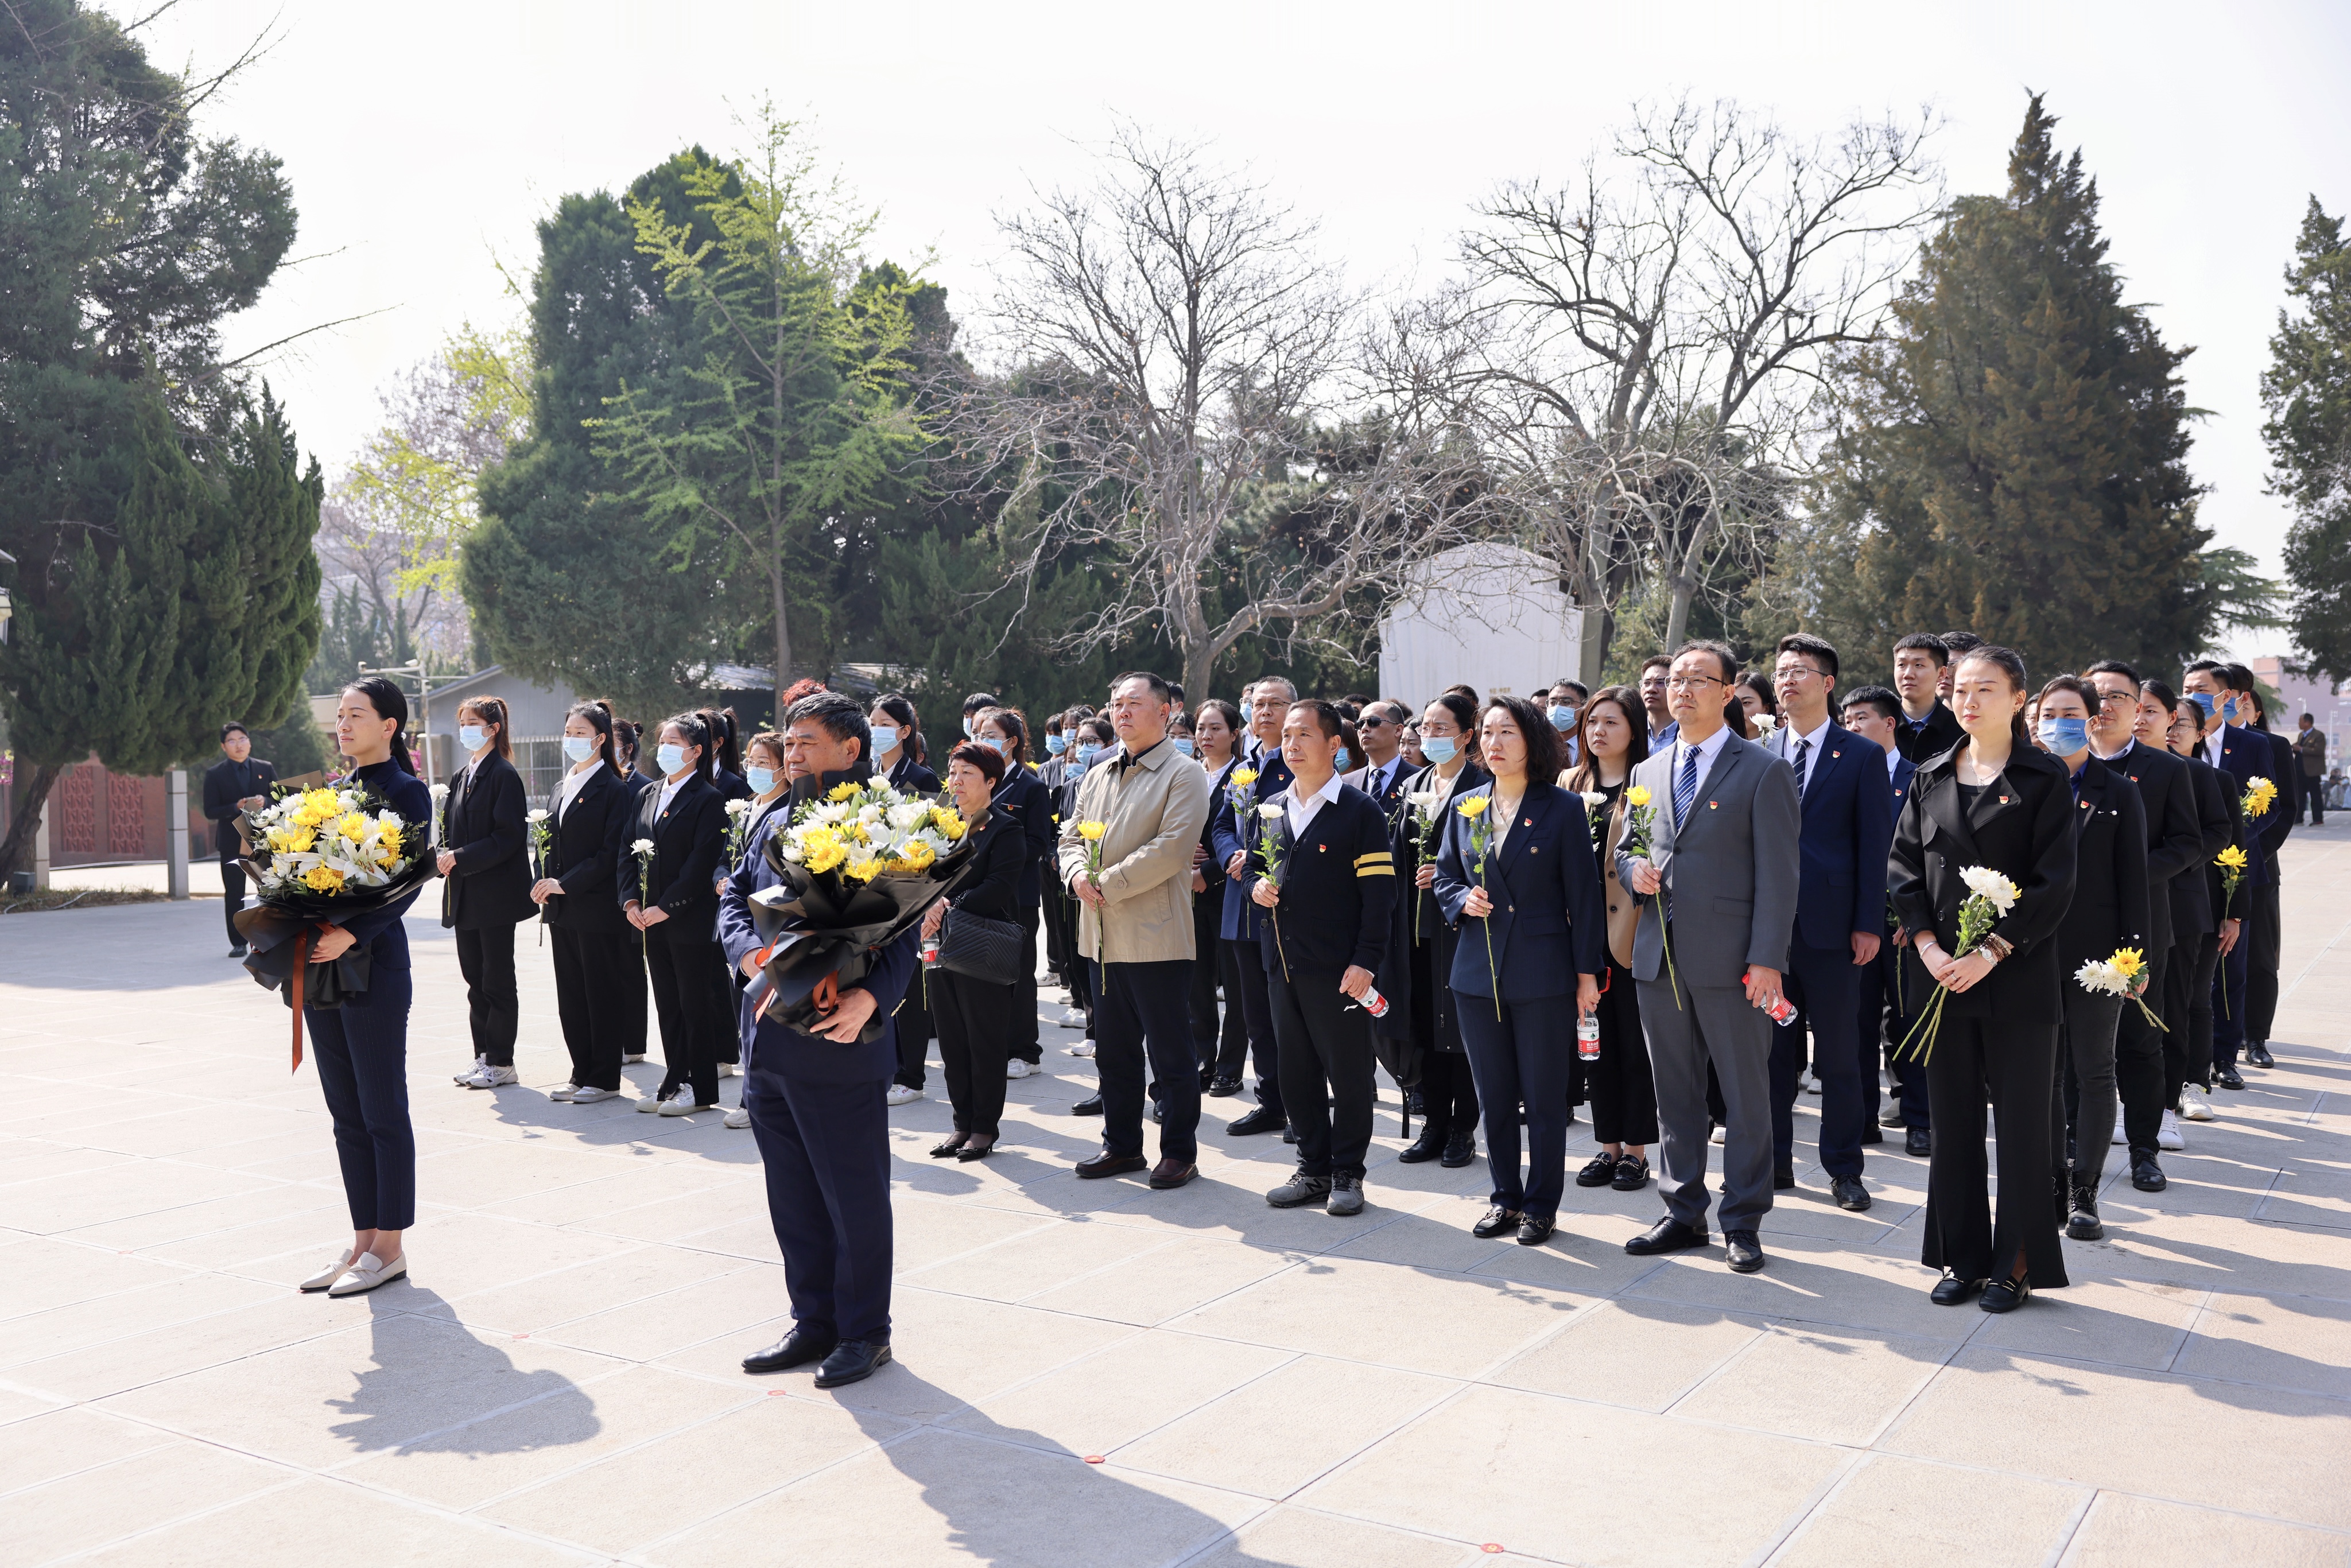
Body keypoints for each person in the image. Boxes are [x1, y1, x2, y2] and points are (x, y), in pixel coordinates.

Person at [723, 691, 917, 1389]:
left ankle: (866, 1330)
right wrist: (746, 950)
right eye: (790, 740)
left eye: (808, 740)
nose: (794, 750)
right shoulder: (772, 810)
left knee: (852, 1193)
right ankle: (813, 1319)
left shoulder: (884, 818)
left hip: (840, 1036)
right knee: (793, 1192)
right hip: (768, 1037)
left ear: (850, 748)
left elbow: (903, 922)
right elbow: (733, 893)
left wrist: (874, 995)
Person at [1889, 646, 2077, 1311]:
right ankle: (1961, 1255)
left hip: (2014, 974)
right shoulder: (1930, 772)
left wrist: (1991, 950)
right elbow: (1905, 869)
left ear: (2016, 698)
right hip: (1940, 977)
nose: (1968, 701)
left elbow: (2054, 883)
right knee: (1954, 1122)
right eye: (1959, 689)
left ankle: (2016, 1260)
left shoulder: (2044, 776)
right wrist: (1929, 946)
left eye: (1985, 689)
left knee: (2023, 1124)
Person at [1617, 641, 1802, 1276]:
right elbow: (1625, 847)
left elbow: (1781, 876)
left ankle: (1743, 1218)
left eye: (1700, 679)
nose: (1683, 689)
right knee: (1674, 1092)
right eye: (1675, 679)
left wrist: (1767, 959)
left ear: (1728, 692)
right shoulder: (1647, 769)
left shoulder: (1762, 768)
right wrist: (1630, 865)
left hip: (1735, 961)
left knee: (1746, 1094)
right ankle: (1681, 1209)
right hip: (1658, 953)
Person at [1434, 695, 1605, 1245]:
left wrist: (1586, 975)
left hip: (1543, 971)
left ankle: (1540, 1205)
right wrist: (1461, 898)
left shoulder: (1560, 807)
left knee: (1545, 1095)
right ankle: (1504, 1197)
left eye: (1507, 732)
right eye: (1487, 732)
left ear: (1530, 740)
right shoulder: (1469, 804)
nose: (1495, 742)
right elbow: (1442, 878)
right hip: (1477, 973)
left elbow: (1585, 896)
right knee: (1495, 1095)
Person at [296, 677, 436, 1298]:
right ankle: (360, 1239)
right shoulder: (334, 793)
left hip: (374, 965)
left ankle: (390, 1245)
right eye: (340, 716)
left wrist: (352, 933)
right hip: (323, 964)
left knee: (382, 1108)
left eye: (356, 714)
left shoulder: (409, 792)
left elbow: (406, 883)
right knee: (345, 1113)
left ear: (391, 724)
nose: (343, 725)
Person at [1057, 672, 1215, 1187]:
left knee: (1171, 1054)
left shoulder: (1183, 772)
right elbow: (1069, 837)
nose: (1121, 712)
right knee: (1115, 1052)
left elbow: (1172, 848)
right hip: (1101, 934)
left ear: (1165, 710)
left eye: (1133, 703)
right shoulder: (1098, 773)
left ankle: (1179, 1151)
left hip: (1156, 936)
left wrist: (1107, 882)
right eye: (1116, 703)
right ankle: (1122, 1147)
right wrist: (1078, 874)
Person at [1251, 700, 1405, 1215]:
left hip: (1340, 970)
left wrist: (1366, 961)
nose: (1291, 744)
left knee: (1349, 1072)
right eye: (1286, 736)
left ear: (1335, 745)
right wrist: (1256, 887)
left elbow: (1380, 898)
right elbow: (1252, 866)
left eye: (1304, 735)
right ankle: (1312, 1168)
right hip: (1283, 965)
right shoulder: (1270, 807)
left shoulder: (1359, 812)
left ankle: (1347, 1173)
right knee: (1295, 1072)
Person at [1761, 634, 1894, 1213]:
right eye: (1781, 671)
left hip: (1834, 931)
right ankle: (1773, 1162)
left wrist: (1868, 922)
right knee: (1769, 1051)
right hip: (1767, 932)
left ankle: (1844, 1167)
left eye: (1801, 671)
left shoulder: (1859, 754)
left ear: (1828, 682)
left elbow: (1875, 846)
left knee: (1838, 1055)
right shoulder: (1758, 749)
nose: (1788, 680)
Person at [2034, 677, 2150, 1236]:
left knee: (2094, 1070)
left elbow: (2134, 880)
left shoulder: (2117, 790)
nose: (2058, 722)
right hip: (2028, 954)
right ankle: (2053, 1185)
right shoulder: (2020, 784)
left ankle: (2085, 1192)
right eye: (2048, 712)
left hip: (2098, 960)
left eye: (2069, 712)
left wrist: (2134, 958)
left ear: (2091, 717)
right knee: (2044, 1075)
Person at [2082, 661, 2206, 1170]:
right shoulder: (2054, 766)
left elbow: (2187, 844)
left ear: (2138, 709)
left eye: (2118, 697)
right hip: (2071, 924)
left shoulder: (2168, 770)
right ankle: (2072, 1149)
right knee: (2071, 1042)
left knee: (2140, 1038)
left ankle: (2144, 1148)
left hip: (2141, 922)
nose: (2105, 706)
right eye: (2097, 696)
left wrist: (2130, 871)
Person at [1562, 685, 1658, 1191]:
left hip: (1630, 933)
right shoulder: (1566, 782)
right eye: (1592, 722)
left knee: (1632, 1043)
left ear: (1634, 730)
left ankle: (1637, 1152)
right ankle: (1607, 1147)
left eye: (1611, 723)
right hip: (1579, 935)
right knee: (1591, 1042)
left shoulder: (1647, 785)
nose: (1598, 731)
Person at [920, 742, 1028, 1161]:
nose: (956, 780)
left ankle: (984, 1127)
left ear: (990, 781)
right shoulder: (940, 826)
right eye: (953, 772)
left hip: (980, 943)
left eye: (967, 773)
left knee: (984, 1038)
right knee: (950, 1037)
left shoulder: (1005, 827)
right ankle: (961, 1124)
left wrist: (946, 905)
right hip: (935, 942)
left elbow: (1000, 886)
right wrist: (926, 905)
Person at [1395, 690, 1489, 1166]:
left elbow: (1491, 859)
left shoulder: (1481, 786)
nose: (1429, 737)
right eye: (1425, 728)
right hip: (1416, 925)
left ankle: (1462, 1127)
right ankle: (1433, 1122)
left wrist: (1451, 876)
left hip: (1461, 924)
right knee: (1425, 1025)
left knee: (1459, 1028)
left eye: (1441, 729)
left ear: (1467, 735)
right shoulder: (1415, 785)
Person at [2182, 662, 2284, 1088]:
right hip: (2187, 874)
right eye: (2187, 687)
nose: (2194, 694)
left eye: (2203, 689)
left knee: (2233, 967)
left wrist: (2233, 843)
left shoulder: (2251, 744)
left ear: (2225, 697)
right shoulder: (2174, 744)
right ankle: (2190, 1059)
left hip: (2235, 870)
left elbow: (2271, 806)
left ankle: (2227, 1056)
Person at [624, 712, 731, 1116]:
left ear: (696, 751)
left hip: (686, 919)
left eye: (674, 743)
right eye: (662, 741)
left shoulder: (708, 798)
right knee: (667, 1002)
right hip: (648, 920)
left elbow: (701, 865)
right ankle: (674, 1079)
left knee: (693, 1002)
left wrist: (665, 907)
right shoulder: (647, 794)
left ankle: (698, 1087)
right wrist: (631, 902)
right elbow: (626, 852)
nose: (664, 749)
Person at [535, 701, 639, 1105]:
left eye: (581, 733)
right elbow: (546, 842)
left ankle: (605, 1077)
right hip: (561, 910)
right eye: (568, 732)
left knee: (601, 994)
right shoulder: (563, 786)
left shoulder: (614, 788)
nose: (572, 739)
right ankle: (581, 1072)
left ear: (600, 739)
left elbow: (610, 852)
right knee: (572, 995)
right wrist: (539, 881)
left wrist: (564, 883)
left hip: (595, 908)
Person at [1840, 686, 1928, 1152]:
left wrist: (1915, 917)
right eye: (1847, 720)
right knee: (1854, 1024)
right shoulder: (1842, 775)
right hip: (1854, 923)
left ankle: (1919, 1118)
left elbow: (1931, 856)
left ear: (1890, 723)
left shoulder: (1921, 779)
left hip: (1904, 929)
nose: (1851, 727)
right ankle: (1863, 1120)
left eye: (1861, 718)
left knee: (1909, 1024)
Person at [1208, 677, 1297, 1137]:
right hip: (1240, 907)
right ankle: (1271, 1101)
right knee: (1254, 1014)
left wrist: (1257, 854)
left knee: (1289, 1015)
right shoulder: (1244, 766)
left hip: (1280, 907)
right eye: (1257, 704)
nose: (1264, 712)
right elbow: (1221, 826)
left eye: (1275, 704)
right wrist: (1229, 856)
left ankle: (1301, 1104)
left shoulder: (1299, 764)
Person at [439, 696, 537, 1091]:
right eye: (461, 721)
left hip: (494, 897)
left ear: (493, 728)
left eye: (473, 721)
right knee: (475, 981)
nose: (465, 728)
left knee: (496, 980)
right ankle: (483, 1056)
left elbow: (509, 836)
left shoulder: (503, 774)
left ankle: (502, 1061)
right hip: (465, 896)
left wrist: (460, 857)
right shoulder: (463, 775)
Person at [2164, 693, 2245, 1123]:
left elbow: (2235, 850)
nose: (2174, 731)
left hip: (2204, 904)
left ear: (2201, 734)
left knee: (2195, 997)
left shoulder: (2214, 780)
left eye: (2184, 725)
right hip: (2154, 901)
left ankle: (2193, 1083)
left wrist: (2233, 913)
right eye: (2169, 723)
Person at [976, 705, 1054, 1080]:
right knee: (986, 976)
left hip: (1017, 894)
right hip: (979, 894)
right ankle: (996, 1046)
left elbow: (1038, 841)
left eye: (989, 735)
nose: (982, 740)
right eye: (977, 733)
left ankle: (1025, 1051)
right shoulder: (973, 782)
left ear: (1011, 742)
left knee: (1020, 975)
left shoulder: (1031, 787)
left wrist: (999, 859)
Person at [2229, 665, 2296, 1070]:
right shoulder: (2190, 744)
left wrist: (2256, 850)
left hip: (2256, 868)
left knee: (2258, 956)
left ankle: (2256, 1036)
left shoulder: (2270, 745)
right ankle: (2224, 1034)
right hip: (2203, 870)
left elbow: (2285, 808)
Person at [1188, 699, 1249, 1096]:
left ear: (1234, 734)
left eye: (1216, 729)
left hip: (1228, 891)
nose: (1207, 736)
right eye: (1201, 729)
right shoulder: (1190, 776)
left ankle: (1230, 1066)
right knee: (1196, 985)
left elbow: (1243, 838)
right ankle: (1203, 1058)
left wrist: (1206, 873)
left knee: (1237, 987)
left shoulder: (1244, 776)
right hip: (1188, 894)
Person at [203, 722, 278, 958]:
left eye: (242, 739)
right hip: (232, 842)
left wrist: (264, 801)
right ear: (224, 746)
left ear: (250, 742)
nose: (239, 745)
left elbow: (280, 798)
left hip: (262, 840)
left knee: (269, 891)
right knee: (234, 893)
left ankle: (269, 938)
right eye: (233, 741)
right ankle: (238, 942)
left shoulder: (264, 768)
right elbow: (210, 810)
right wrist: (235, 806)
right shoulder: (215, 774)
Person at [1891, 634, 1965, 764]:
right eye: (1902, 665)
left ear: (1942, 673)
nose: (1908, 674)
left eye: (1919, 665)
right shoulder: (1881, 725)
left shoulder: (1962, 731)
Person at [1343, 699, 1414, 821]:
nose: (1364, 729)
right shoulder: (1346, 783)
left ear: (1398, 730)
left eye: (1373, 722)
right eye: (1360, 724)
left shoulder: (1420, 779)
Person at [870, 693, 938, 794]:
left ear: (905, 731)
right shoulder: (866, 776)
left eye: (885, 724)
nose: (876, 730)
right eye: (872, 724)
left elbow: (936, 810)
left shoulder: (923, 778)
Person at [1636, 654, 1677, 748]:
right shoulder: (1632, 733)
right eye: (1646, 683)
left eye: (1660, 683)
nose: (1651, 689)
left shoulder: (1688, 735)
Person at [2293, 712, 2326, 824]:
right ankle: (2298, 819)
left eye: (2300, 721)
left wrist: (2301, 749)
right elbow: (2297, 746)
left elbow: (2318, 750)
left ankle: (2318, 819)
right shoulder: (2301, 735)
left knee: (2315, 795)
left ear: (2307, 723)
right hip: (2299, 770)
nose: (2299, 723)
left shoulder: (2318, 735)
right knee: (2300, 796)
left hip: (2312, 771)